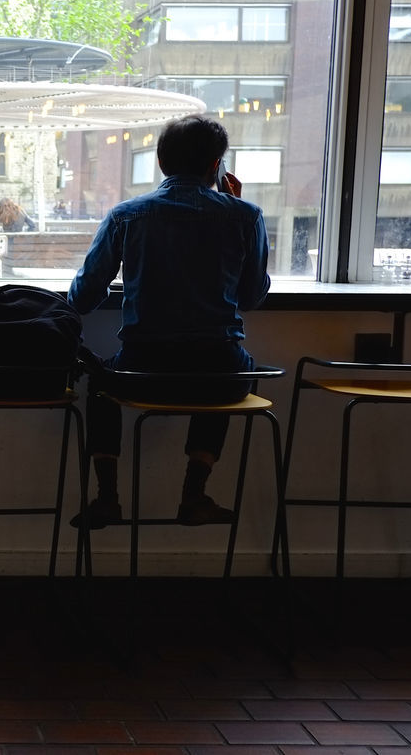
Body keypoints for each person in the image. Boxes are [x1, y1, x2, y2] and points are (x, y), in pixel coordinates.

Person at [67, 114, 270, 528]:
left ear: (160, 162)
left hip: (146, 371)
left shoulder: (127, 215)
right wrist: (234, 207)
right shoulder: (246, 216)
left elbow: (81, 298)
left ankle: (107, 497)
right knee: (229, 369)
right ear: (217, 166)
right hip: (219, 375)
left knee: (100, 380)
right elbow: (251, 297)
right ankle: (194, 493)